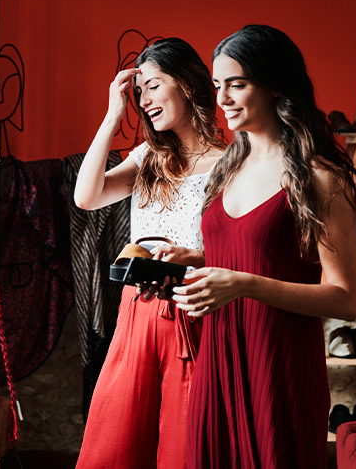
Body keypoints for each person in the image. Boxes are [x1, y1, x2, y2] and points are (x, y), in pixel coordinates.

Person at [171, 24, 356, 468]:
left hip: (278, 367)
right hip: (218, 359)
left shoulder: (319, 177)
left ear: (275, 84)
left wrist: (243, 284)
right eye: (218, 85)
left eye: (237, 84)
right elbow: (258, 253)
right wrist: (197, 261)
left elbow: (347, 299)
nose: (222, 99)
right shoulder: (226, 168)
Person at [74, 37, 226, 469]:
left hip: (196, 309)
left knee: (185, 444)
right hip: (137, 308)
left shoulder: (233, 161)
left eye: (154, 85)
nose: (144, 100)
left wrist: (194, 257)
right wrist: (110, 117)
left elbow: (238, 249)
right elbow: (87, 197)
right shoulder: (148, 157)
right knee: (116, 438)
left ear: (187, 84)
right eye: (139, 91)